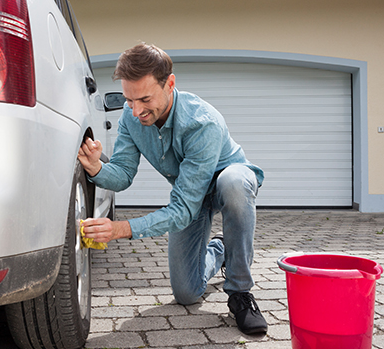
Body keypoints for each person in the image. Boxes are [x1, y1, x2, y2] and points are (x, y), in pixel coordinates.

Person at [78, 43, 267, 335]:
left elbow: (182, 210)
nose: (137, 110)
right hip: (190, 194)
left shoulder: (202, 122)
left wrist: (121, 229)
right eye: (129, 100)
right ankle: (220, 249)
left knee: (233, 184)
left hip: (225, 182)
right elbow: (124, 175)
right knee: (187, 293)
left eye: (144, 99)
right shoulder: (131, 118)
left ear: (170, 83)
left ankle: (240, 292)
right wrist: (96, 168)